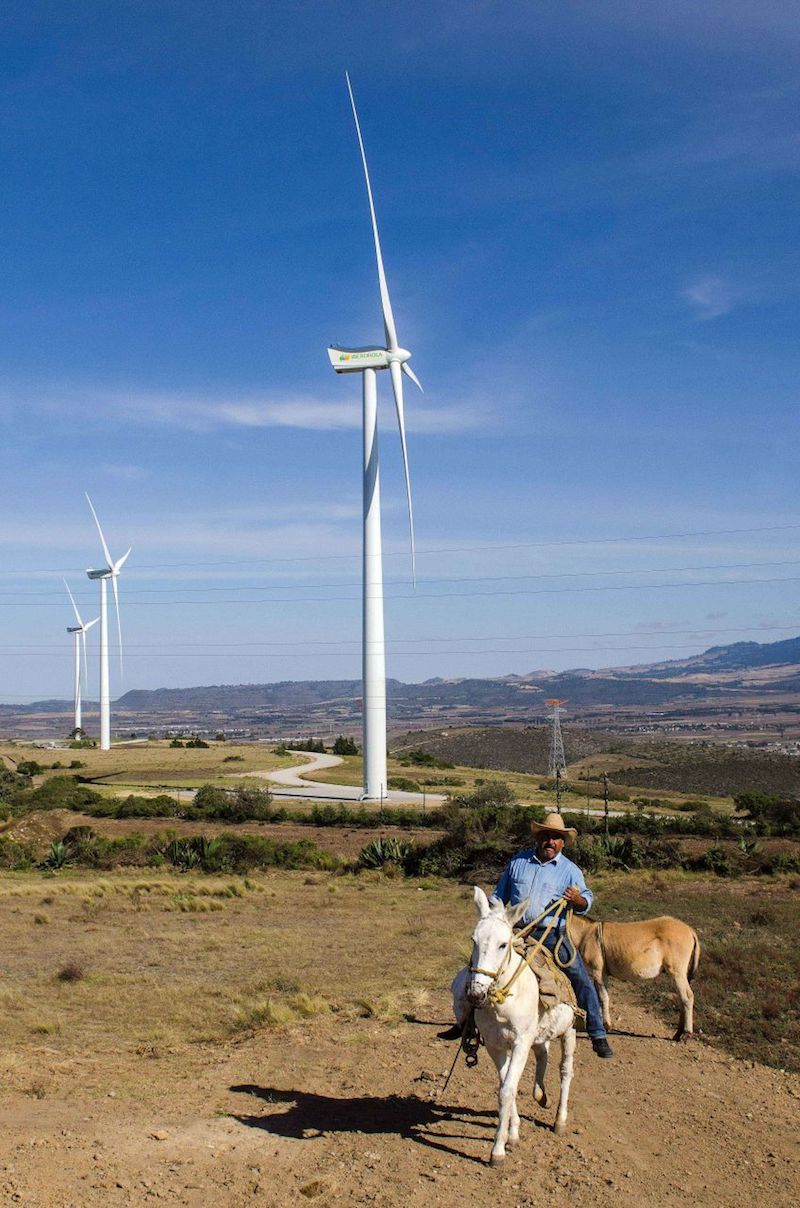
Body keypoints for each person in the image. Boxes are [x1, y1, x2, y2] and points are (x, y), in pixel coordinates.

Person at [440, 811, 614, 1058]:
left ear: (562, 842)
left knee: (579, 976)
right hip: (517, 930)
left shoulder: (570, 870)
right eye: (546, 836)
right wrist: (491, 915)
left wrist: (577, 900)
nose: (550, 842)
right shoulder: (518, 863)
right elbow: (499, 896)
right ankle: (465, 1023)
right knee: (478, 966)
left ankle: (597, 1033)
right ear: (538, 838)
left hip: (551, 935)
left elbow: (586, 900)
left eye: (555, 838)